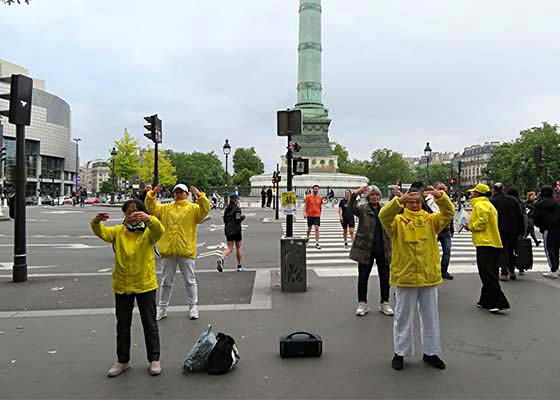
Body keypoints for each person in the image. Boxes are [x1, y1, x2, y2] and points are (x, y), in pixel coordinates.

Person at [379, 187, 455, 371]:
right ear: (404, 203)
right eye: (411, 201)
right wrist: (397, 201)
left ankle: (431, 352)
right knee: (403, 316)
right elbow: (383, 216)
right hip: (406, 275)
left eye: (417, 201)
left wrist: (441, 197)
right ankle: (400, 352)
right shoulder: (397, 221)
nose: (414, 204)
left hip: (428, 275)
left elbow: (449, 212)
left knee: (431, 316)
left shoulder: (430, 220)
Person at [90, 199, 164, 377]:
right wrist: (96, 221)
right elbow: (103, 233)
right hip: (122, 284)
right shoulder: (118, 231)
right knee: (123, 325)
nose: (132, 215)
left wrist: (149, 219)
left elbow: (159, 230)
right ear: (124, 215)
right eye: (128, 212)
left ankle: (154, 359)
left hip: (145, 284)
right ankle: (122, 361)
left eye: (136, 211)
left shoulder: (148, 233)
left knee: (150, 323)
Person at [145, 183, 210, 321]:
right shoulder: (166, 209)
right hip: (169, 251)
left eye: (181, 192)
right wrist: (152, 195)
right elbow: (151, 209)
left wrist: (200, 196)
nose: (178, 194)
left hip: (185, 250)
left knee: (190, 281)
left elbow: (205, 210)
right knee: (166, 282)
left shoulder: (193, 209)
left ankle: (193, 306)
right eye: (176, 192)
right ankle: (162, 308)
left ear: (187, 194)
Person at [464, 183, 510, 313]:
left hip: (485, 242)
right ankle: (485, 300)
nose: (471, 194)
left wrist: (470, 226)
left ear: (477, 193)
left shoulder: (480, 205)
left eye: (473, 192)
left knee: (486, 273)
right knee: (491, 272)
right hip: (493, 241)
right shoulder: (489, 204)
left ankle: (499, 302)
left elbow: (482, 222)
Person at [349, 185, 393, 317]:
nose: (375, 197)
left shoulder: (385, 209)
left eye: (377, 195)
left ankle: (384, 302)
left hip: (383, 247)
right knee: (363, 277)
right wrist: (355, 194)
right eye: (373, 195)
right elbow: (350, 208)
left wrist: (401, 197)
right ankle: (362, 303)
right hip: (365, 248)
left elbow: (399, 210)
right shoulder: (363, 209)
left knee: (385, 278)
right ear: (368, 197)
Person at [491, 182, 525, 281]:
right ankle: (512, 270)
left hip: (499, 229)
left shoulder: (493, 201)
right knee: (511, 250)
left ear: (494, 190)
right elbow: (520, 216)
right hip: (513, 229)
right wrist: (522, 230)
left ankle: (504, 272)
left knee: (502, 250)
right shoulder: (513, 200)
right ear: (503, 189)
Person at [533, 185, 560, 279]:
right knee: (556, 249)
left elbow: (536, 217)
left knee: (549, 249)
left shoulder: (539, 204)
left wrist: (539, 225)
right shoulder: (556, 203)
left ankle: (553, 269)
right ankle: (556, 267)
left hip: (547, 229)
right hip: (557, 228)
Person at [217, 193, 247, 272]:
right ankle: (239, 265)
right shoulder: (237, 209)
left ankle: (222, 258)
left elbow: (224, 220)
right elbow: (237, 220)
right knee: (238, 247)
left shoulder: (227, 209)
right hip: (236, 230)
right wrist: (242, 218)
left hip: (228, 230)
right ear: (236, 200)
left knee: (229, 248)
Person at [431, 182, 455, 280]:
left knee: (447, 251)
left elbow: (451, 214)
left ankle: (443, 271)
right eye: (439, 189)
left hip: (446, 230)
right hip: (436, 229)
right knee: (431, 252)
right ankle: (433, 270)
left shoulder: (447, 200)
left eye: (443, 189)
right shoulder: (432, 200)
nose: (442, 191)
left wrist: (452, 227)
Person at [304, 184, 323, 249]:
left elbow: (320, 206)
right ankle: (307, 237)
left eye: (317, 189)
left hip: (317, 215)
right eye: (315, 189)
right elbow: (305, 205)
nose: (316, 190)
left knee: (317, 228)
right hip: (310, 214)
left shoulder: (320, 197)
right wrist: (304, 213)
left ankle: (317, 243)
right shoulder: (309, 197)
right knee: (309, 228)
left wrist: (320, 213)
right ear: (313, 190)